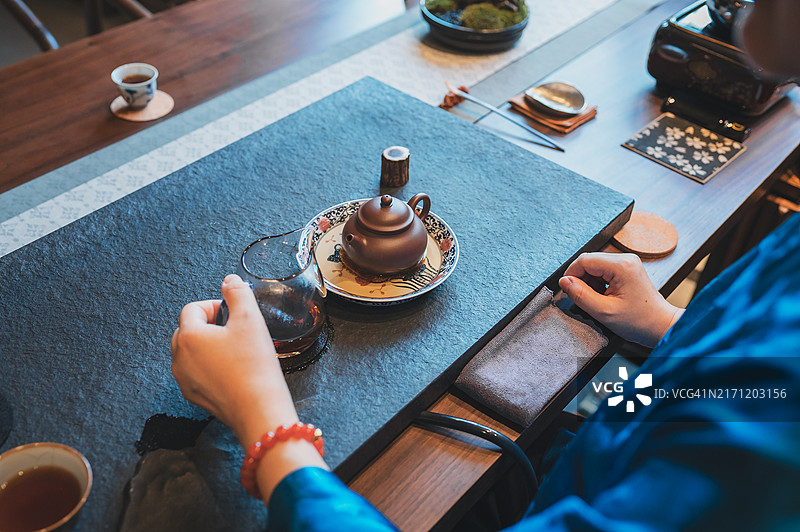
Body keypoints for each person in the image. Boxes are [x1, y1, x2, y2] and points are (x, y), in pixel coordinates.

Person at [171, 2, 800, 529]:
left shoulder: (761, 468)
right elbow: (752, 386)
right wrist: (671, 330)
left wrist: (268, 428)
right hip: (605, 446)